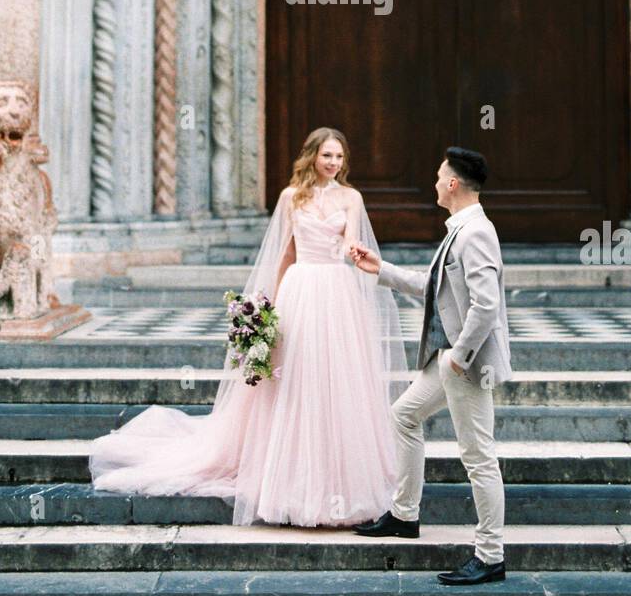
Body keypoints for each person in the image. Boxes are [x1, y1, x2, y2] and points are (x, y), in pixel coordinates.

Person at [88, 127, 404, 528]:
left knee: (335, 382)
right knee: (297, 381)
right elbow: (286, 252)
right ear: (311, 156)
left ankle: (339, 482)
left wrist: (351, 252)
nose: (333, 164)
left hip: (336, 291)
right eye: (327, 156)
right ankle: (291, 483)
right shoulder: (293, 197)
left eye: (339, 157)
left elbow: (352, 241)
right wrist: (264, 309)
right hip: (301, 289)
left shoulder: (352, 197)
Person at [349, 146, 512, 585]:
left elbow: (486, 305)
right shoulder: (460, 229)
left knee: (478, 456)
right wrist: (380, 269)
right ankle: (404, 514)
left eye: (440, 176)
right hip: (445, 359)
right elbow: (433, 287)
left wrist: (459, 358)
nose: (435, 182)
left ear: (454, 184)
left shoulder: (476, 231)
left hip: (464, 364)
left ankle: (491, 554)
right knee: (403, 415)